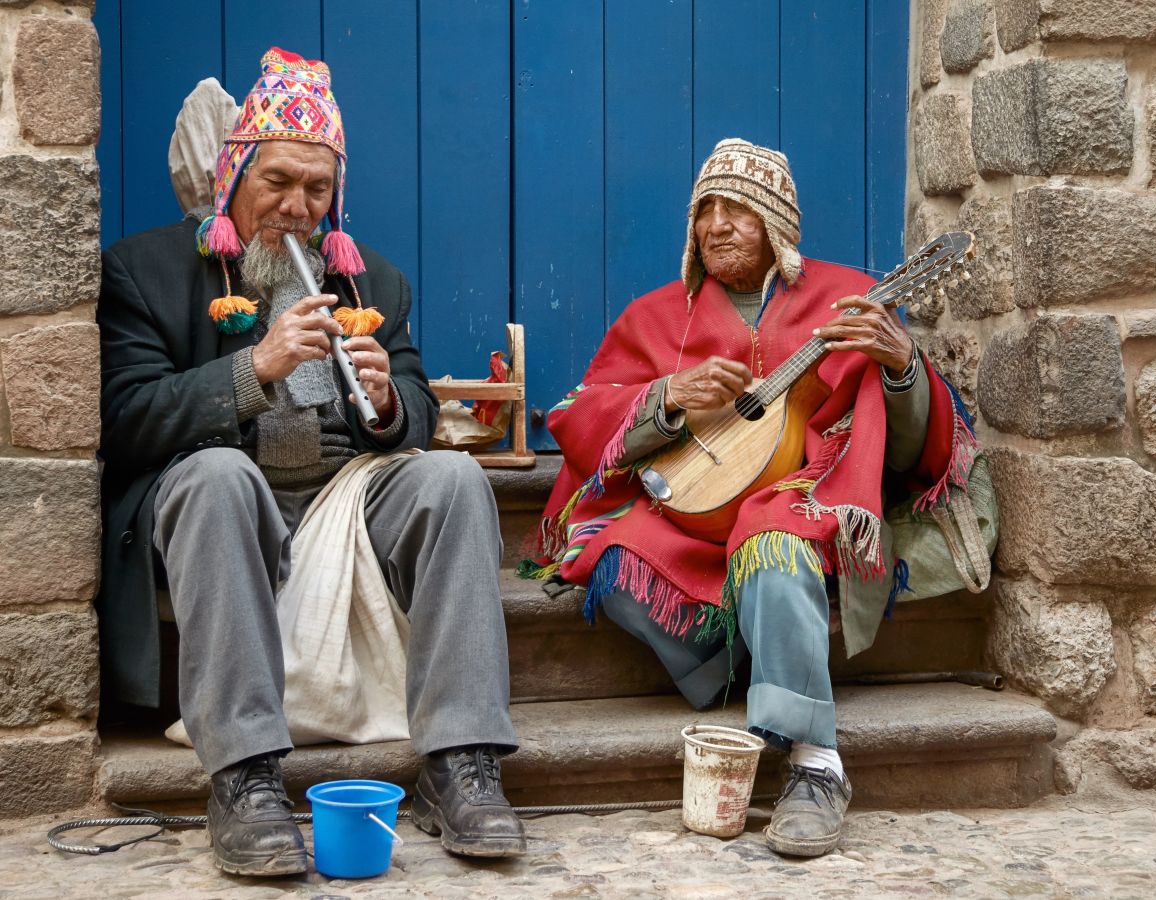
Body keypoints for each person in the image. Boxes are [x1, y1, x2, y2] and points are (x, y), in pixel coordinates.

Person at [97, 48, 525, 876]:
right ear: (232, 179)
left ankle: (463, 763)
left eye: (317, 191)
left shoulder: (371, 284)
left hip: (344, 502)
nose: (296, 209)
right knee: (220, 478)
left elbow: (417, 407)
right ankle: (246, 777)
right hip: (219, 496)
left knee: (454, 477)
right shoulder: (145, 272)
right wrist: (251, 370)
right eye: (277, 183)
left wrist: (394, 401)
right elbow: (125, 421)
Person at [527, 139, 974, 858]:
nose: (716, 224)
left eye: (738, 209)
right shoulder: (656, 317)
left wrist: (900, 367)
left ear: (777, 224)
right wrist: (665, 399)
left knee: (773, 544)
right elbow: (581, 415)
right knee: (605, 559)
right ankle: (735, 658)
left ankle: (815, 765)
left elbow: (910, 448)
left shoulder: (846, 300)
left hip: (805, 500)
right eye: (706, 209)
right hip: (694, 515)